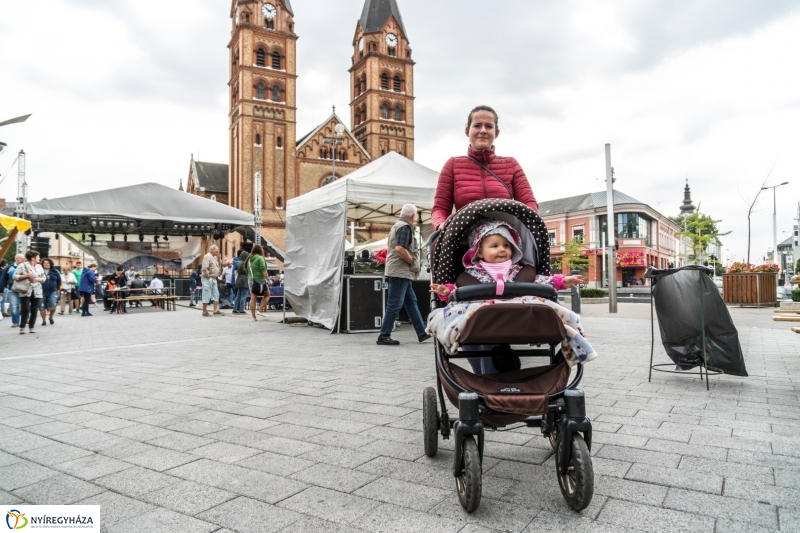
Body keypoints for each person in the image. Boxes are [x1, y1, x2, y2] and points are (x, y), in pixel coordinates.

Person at [431, 219, 583, 374]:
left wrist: (562, 281)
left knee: (487, 341)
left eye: (507, 245)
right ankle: (480, 374)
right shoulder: (472, 273)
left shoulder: (517, 271)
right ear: (480, 251)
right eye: (495, 246)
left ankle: (489, 377)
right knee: (471, 339)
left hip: (513, 314)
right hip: (479, 317)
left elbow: (541, 281)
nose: (502, 249)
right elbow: (458, 290)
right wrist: (446, 291)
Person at [431, 105, 538, 230]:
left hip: (504, 239)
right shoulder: (452, 165)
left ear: (496, 133)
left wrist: (523, 225)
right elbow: (440, 209)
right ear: (467, 131)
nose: (483, 130)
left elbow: (529, 204)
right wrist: (441, 225)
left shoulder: (511, 164)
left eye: (489, 126)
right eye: (477, 125)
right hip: (464, 240)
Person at [377, 204, 431, 346]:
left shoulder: (398, 225)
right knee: (395, 304)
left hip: (400, 272)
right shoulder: (405, 227)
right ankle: (384, 336)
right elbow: (400, 248)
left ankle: (422, 333)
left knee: (410, 302)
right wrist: (413, 262)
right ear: (413, 216)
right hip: (400, 272)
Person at [13, 250, 45, 334]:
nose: (39, 258)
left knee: (34, 309)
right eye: (38, 257)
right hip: (25, 290)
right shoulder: (22, 266)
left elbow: (44, 277)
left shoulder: (39, 266)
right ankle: (22, 327)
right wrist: (25, 276)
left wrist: (39, 279)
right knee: (25, 308)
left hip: (37, 290)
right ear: (32, 258)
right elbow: (14, 276)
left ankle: (31, 326)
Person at [245, 245, 268, 322]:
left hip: (251, 280)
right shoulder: (260, 258)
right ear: (260, 250)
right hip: (260, 280)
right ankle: (260, 310)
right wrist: (268, 279)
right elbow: (263, 269)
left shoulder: (249, 259)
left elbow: (247, 270)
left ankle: (253, 317)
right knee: (267, 295)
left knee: (253, 298)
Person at [38, 258, 62, 326]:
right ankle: (43, 320)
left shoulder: (55, 271)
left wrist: (58, 288)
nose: (46, 264)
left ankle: (51, 317)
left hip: (52, 291)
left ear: (50, 264)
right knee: (42, 307)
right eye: (44, 263)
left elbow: (59, 281)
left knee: (53, 305)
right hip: (41, 291)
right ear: (42, 264)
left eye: (47, 263)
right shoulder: (39, 271)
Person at [201, 245, 222, 316]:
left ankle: (215, 310)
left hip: (214, 279)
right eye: (217, 250)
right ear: (212, 250)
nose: (218, 251)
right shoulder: (207, 256)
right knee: (206, 294)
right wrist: (208, 276)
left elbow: (218, 266)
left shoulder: (214, 257)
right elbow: (204, 268)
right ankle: (204, 311)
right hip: (208, 278)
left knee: (216, 294)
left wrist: (219, 259)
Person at [4, 254, 24, 327]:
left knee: (26, 305)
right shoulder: (11, 267)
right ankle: (15, 322)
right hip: (12, 290)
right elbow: (11, 276)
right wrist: (1, 290)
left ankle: (26, 319)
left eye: (24, 258)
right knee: (14, 306)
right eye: (22, 258)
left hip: (24, 289)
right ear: (16, 259)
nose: (23, 259)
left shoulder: (27, 266)